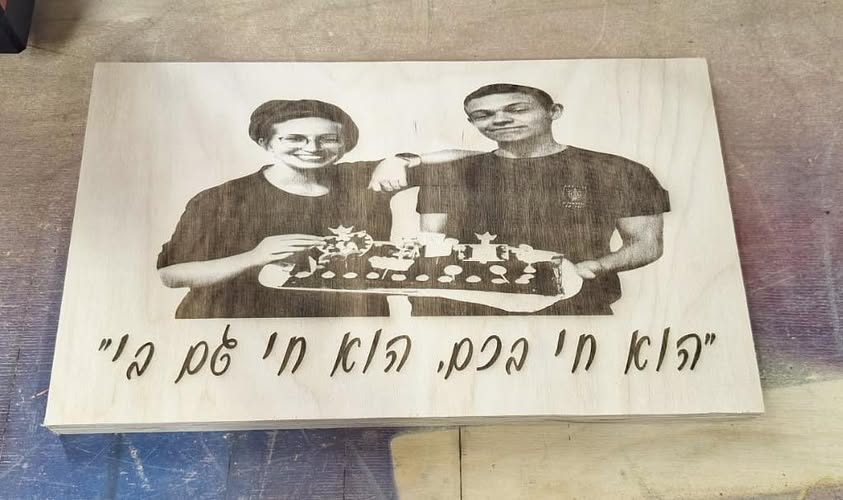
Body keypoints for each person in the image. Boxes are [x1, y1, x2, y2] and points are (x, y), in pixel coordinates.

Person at [371, 83, 670, 315]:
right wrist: (401, 159)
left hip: (572, 308)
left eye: (517, 109)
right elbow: (432, 241)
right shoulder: (451, 172)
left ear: (554, 111)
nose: (500, 120)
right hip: (461, 311)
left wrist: (597, 266)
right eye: (483, 115)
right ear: (472, 122)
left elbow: (646, 243)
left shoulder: (618, 170)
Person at [158, 99, 421, 318]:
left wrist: (403, 161)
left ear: (345, 144)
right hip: (243, 326)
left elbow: (448, 164)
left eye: (329, 139)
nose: (313, 148)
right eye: (295, 138)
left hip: (342, 330)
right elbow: (170, 275)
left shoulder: (364, 177)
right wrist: (254, 257)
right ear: (266, 143)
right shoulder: (222, 199)